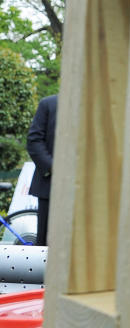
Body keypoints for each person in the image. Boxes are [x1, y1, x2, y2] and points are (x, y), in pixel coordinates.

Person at [26, 94, 57, 246]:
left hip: (90, 189)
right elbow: (34, 141)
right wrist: (54, 167)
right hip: (50, 186)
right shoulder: (48, 104)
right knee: (46, 245)